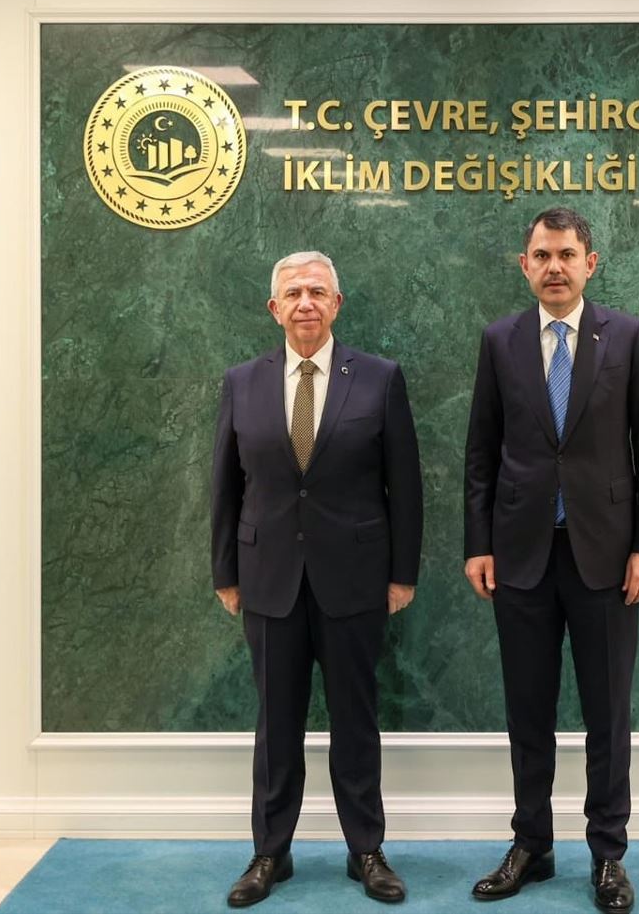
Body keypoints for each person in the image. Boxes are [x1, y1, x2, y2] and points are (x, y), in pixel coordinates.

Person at [463, 208, 639, 914]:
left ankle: (607, 854)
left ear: (591, 263)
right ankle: (532, 844)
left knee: (608, 714)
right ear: (525, 264)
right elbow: (481, 452)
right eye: (542, 255)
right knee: (528, 711)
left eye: (567, 254)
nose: (555, 266)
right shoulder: (500, 340)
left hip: (607, 559)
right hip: (520, 557)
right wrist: (479, 543)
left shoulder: (628, 337)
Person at [211, 251, 422, 907]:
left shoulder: (380, 379)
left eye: (318, 291)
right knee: (276, 725)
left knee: (356, 720)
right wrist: (225, 571)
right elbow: (224, 486)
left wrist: (402, 574)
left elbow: (406, 486)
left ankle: (367, 851)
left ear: (337, 304)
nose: (306, 302)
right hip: (267, 579)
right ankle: (270, 852)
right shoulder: (242, 382)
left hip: (355, 580)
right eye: (294, 292)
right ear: (274, 308)